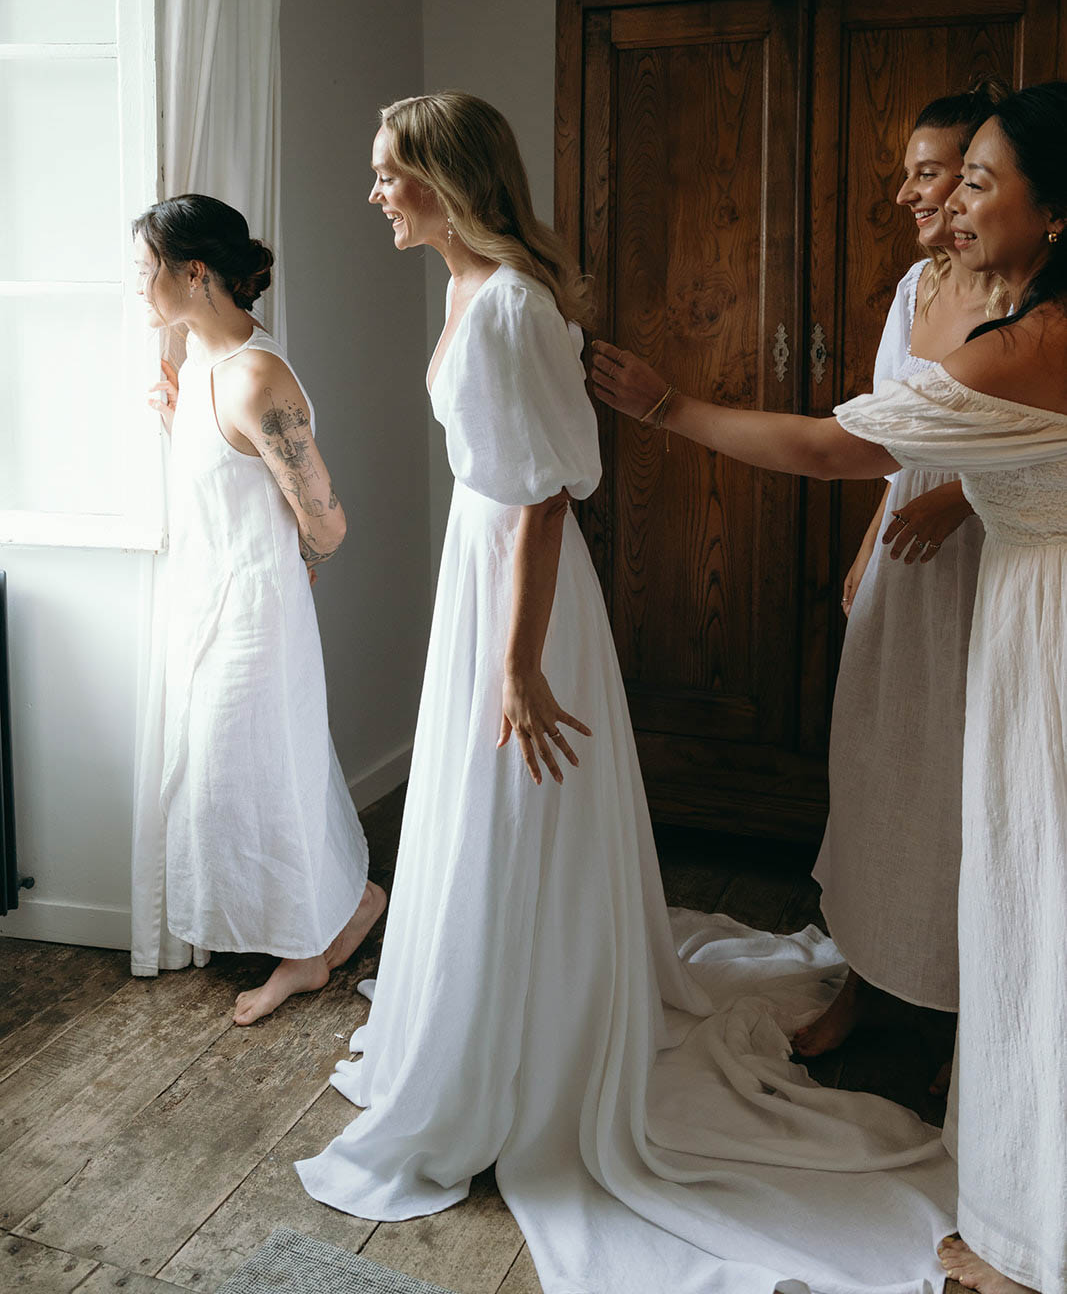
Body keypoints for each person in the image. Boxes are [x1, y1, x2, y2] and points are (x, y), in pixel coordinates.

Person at [298, 92, 956, 1294]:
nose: (376, 194)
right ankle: (483, 1008)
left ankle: (523, 1038)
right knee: (489, 811)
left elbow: (547, 495)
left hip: (521, 600)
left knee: (517, 807)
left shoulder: (506, 304)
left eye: (391, 173)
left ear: (449, 181)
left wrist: (517, 663)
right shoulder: (466, 289)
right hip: (481, 577)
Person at [592, 81, 1067, 1294]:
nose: (949, 198)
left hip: (1044, 619)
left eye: (977, 179)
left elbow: (833, 445)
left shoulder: (1031, 343)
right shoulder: (1022, 322)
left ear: (1054, 211)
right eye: (948, 177)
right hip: (1030, 605)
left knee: (1038, 905)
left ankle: (1034, 1236)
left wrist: (669, 405)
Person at [134, 195, 385, 1026]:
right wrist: (181, 427)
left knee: (254, 776)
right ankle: (348, 907)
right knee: (245, 775)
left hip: (252, 614)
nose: (140, 288)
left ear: (193, 272)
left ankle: (305, 954)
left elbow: (327, 521)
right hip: (208, 600)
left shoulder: (256, 375)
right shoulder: (200, 362)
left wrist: (300, 565)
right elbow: (234, 479)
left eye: (147, 270)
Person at [797, 84, 1008, 1070]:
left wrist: (957, 496)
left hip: (983, 560)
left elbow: (1042, 434)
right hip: (898, 556)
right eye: (912, 171)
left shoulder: (1020, 290)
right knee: (877, 763)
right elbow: (883, 441)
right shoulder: (906, 290)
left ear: (979, 179)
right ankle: (864, 974)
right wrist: (863, 548)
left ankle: (963, 1009)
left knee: (960, 782)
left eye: (927, 171)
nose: (906, 192)